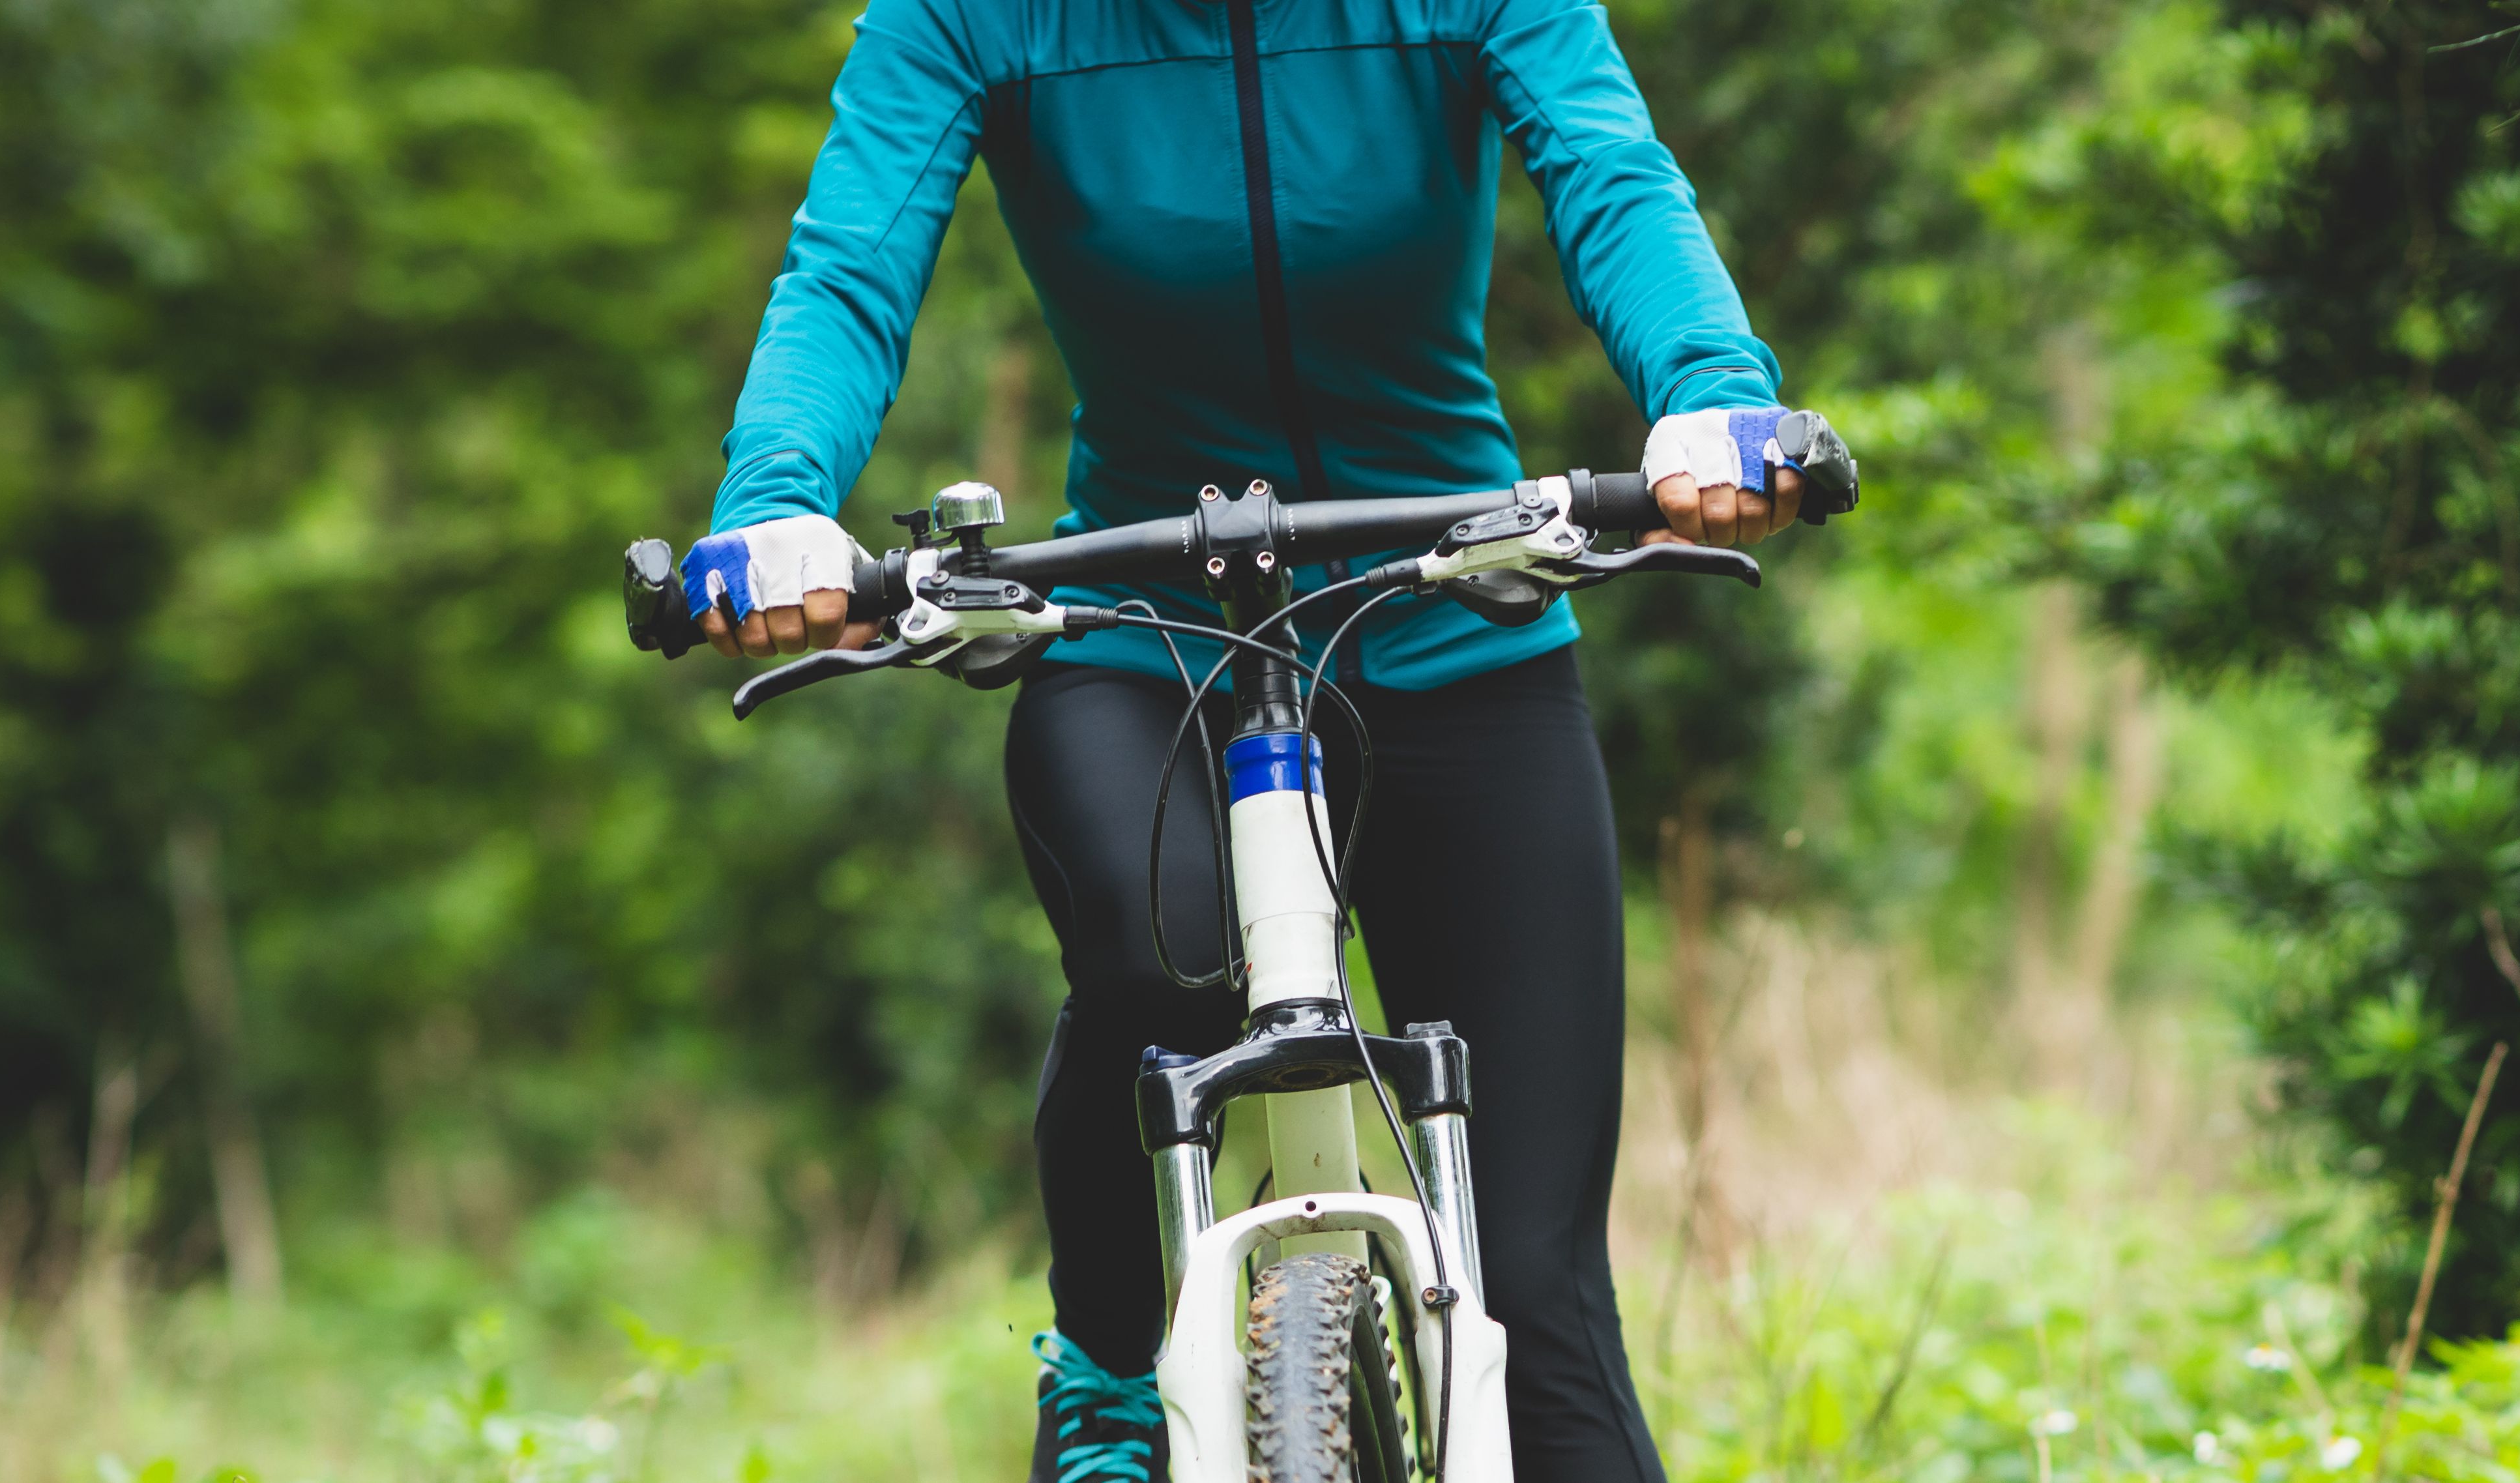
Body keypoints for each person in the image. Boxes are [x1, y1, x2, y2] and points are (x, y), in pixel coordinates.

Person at [671, 1, 1818, 1478]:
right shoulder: (967, 17)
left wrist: (1712, 395)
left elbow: (1615, 174)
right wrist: (777, 497)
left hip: (1454, 616)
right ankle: (1105, 1364)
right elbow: (848, 265)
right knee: (1164, 963)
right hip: (1146, 632)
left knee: (1530, 1285)